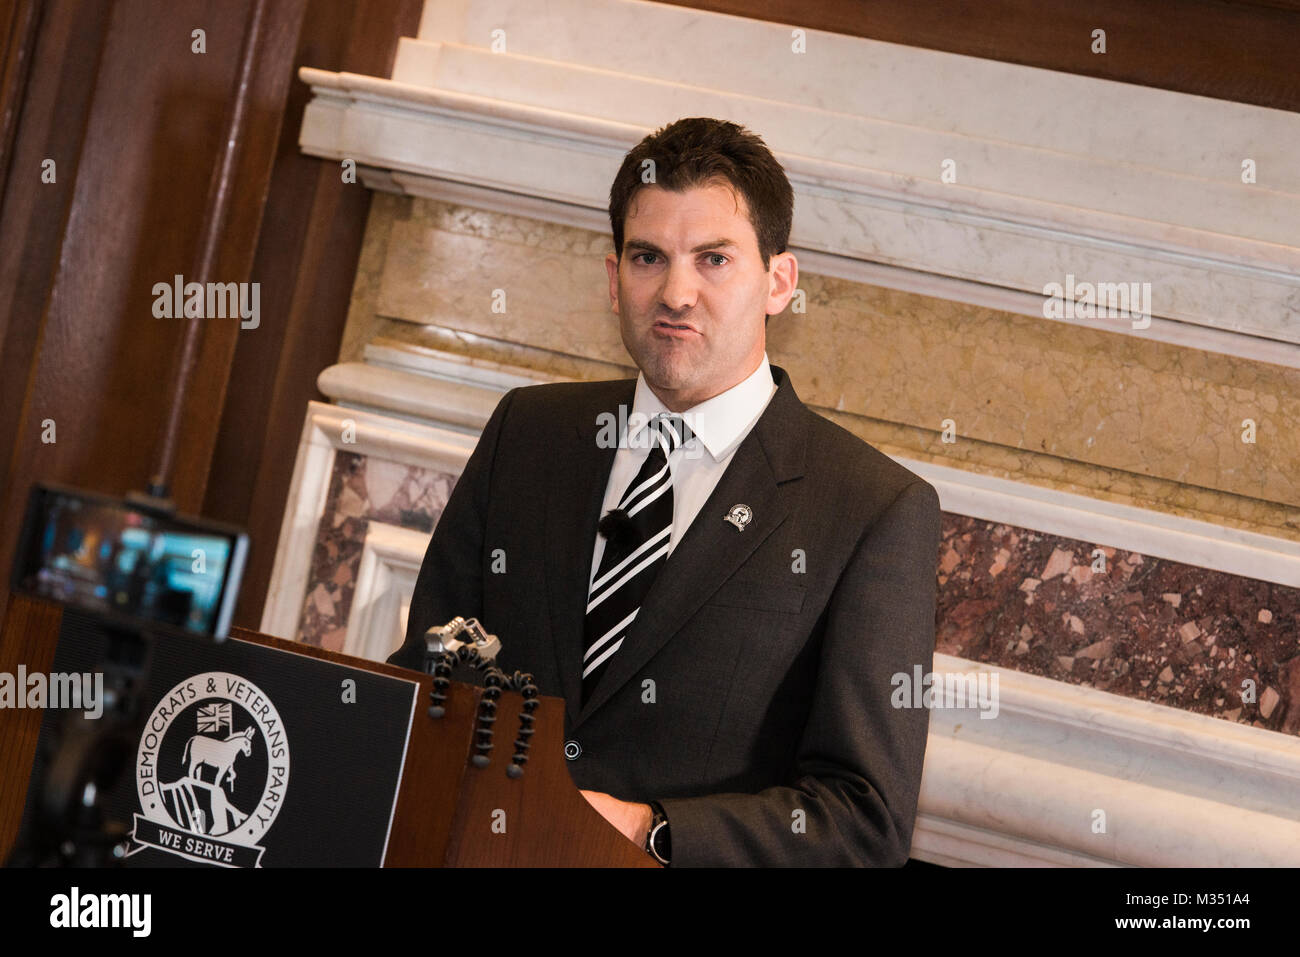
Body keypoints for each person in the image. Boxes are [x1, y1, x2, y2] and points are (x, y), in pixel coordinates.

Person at [388, 117, 942, 866]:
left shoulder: (872, 510)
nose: (676, 292)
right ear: (615, 279)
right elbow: (430, 679)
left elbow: (864, 819)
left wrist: (653, 831)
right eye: (650, 257)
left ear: (779, 282)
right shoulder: (530, 432)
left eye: (713, 259)